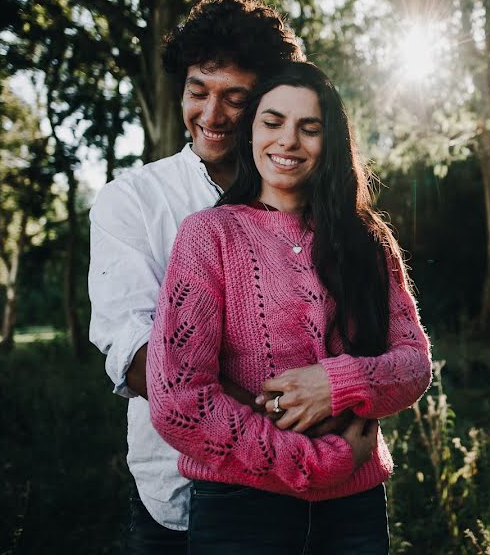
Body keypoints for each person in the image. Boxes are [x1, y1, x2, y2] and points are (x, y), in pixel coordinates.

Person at [146, 61, 432, 554]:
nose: (288, 142)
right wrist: (318, 461)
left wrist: (336, 384)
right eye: (272, 122)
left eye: (309, 128)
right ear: (249, 131)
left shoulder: (367, 241)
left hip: (354, 513)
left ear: (331, 142)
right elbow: (178, 402)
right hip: (240, 508)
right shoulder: (207, 236)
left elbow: (413, 365)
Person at [88, 0, 318, 553]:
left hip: (308, 492)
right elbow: (137, 353)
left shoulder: (311, 204)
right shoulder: (133, 201)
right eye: (198, 91)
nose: (211, 116)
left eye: (235, 98)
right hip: (178, 493)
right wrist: (289, 410)